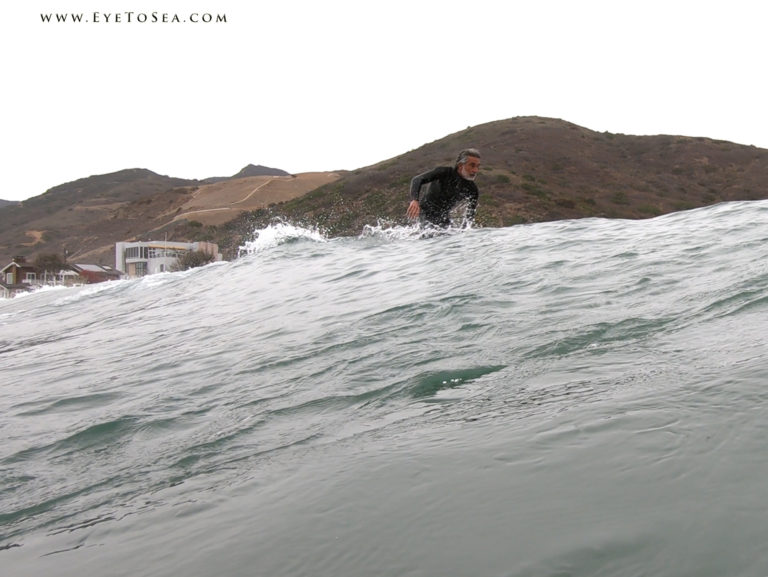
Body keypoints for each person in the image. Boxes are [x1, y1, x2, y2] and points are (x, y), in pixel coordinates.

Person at [406, 148, 481, 227]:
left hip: (443, 217)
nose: (475, 170)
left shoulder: (472, 189)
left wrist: (465, 230)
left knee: (451, 232)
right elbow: (417, 180)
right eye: (472, 165)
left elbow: (470, 216)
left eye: (477, 166)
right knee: (430, 231)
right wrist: (415, 200)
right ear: (460, 165)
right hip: (425, 213)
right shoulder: (444, 173)